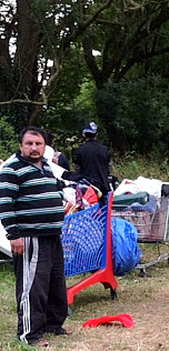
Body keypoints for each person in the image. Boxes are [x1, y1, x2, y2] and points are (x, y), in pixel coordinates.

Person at [0, 127, 70, 347]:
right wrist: (14, 234)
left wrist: (59, 203)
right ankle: (29, 334)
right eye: (29, 144)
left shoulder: (47, 167)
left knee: (54, 283)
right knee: (33, 287)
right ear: (21, 146)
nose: (33, 148)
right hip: (30, 236)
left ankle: (53, 324)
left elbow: (57, 190)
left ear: (44, 146)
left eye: (38, 144)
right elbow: (4, 203)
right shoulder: (12, 168)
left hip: (52, 235)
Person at [63, 122, 111, 197]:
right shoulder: (105, 150)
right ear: (97, 134)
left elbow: (78, 169)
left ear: (84, 135)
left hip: (88, 189)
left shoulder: (80, 150)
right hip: (104, 187)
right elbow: (108, 169)